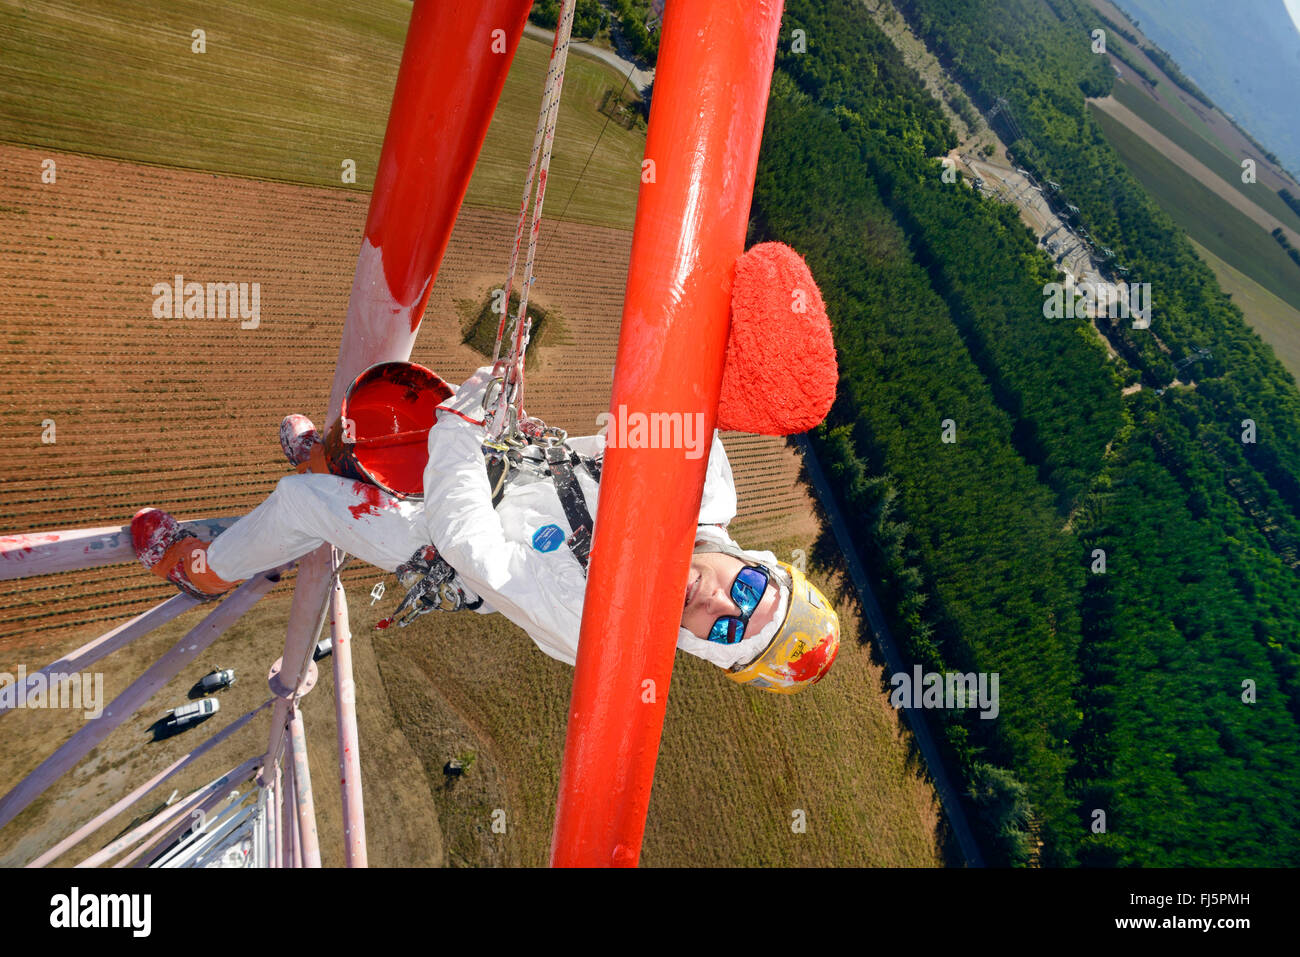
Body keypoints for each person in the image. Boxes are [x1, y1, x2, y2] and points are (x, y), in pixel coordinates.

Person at [131, 365, 839, 692]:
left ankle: (206, 569)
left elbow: (468, 542)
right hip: (510, 465)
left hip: (436, 536)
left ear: (705, 650)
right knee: (407, 408)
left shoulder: (599, 630)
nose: (715, 603)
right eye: (747, 589)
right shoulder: (705, 484)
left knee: (299, 504)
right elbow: (664, 400)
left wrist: (462, 437)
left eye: (724, 630)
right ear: (757, 562)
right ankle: (336, 457)